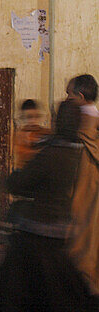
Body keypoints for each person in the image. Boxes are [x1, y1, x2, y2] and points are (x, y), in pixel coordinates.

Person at [0, 99, 99, 312]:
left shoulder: (53, 152)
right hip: (60, 233)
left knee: (13, 295)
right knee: (59, 297)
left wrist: (16, 176)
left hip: (34, 235)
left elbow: (18, 183)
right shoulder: (77, 151)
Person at [66, 72, 99, 292]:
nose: (66, 98)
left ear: (79, 96)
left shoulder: (75, 127)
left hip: (76, 197)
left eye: (69, 94)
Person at [13, 98, 50, 168]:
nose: (33, 121)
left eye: (37, 116)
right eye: (29, 117)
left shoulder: (46, 134)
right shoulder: (20, 136)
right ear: (22, 118)